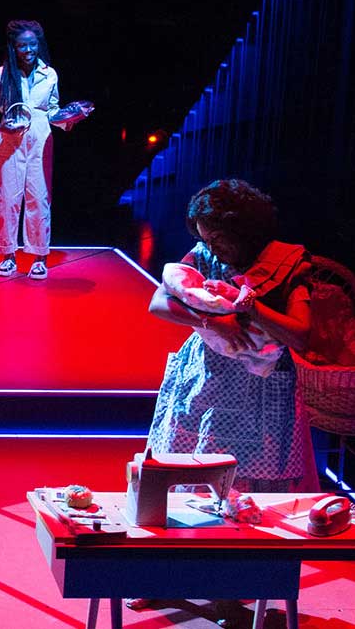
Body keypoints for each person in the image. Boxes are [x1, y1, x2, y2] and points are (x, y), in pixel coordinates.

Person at [145, 179, 316, 493]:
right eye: (205, 239)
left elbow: (301, 335)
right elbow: (158, 303)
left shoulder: (285, 263)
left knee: (256, 476)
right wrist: (212, 321)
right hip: (207, 380)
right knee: (194, 472)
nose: (211, 248)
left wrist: (248, 305)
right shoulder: (202, 256)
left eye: (218, 239)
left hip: (261, 386)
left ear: (243, 230)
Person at [0, 20, 75, 280]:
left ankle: (39, 256)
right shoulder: (1, 75)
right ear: (14, 47)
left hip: (41, 142)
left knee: (39, 200)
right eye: (22, 45)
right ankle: (8, 255)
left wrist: (70, 116)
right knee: (8, 200)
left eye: (32, 44)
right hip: (10, 145)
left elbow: (52, 110)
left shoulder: (49, 74)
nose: (28, 50)